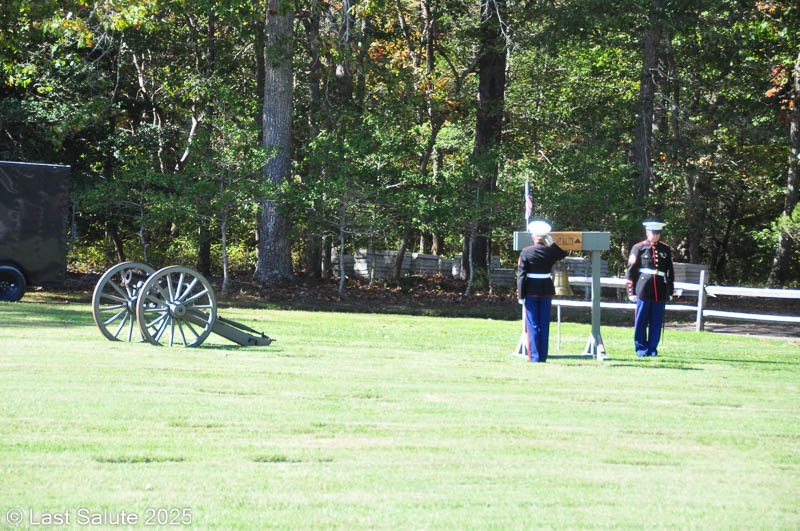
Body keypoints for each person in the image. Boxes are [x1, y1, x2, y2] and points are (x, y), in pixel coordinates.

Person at [517, 220, 567, 362]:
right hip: (546, 290)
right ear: (545, 238)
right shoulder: (550, 252)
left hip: (531, 290)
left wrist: (521, 295)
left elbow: (521, 275)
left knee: (532, 325)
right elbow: (562, 254)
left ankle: (534, 356)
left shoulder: (526, 251)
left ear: (533, 237)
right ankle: (543, 356)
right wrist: (552, 244)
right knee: (544, 324)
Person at [626, 220, 675, 357]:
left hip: (659, 290)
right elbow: (631, 271)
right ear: (647, 232)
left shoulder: (665, 248)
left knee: (656, 321)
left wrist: (670, 290)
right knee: (641, 320)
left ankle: (652, 349)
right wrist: (631, 291)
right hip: (643, 289)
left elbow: (669, 271)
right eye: (653, 233)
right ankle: (641, 349)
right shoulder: (638, 248)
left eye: (658, 233)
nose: (655, 236)